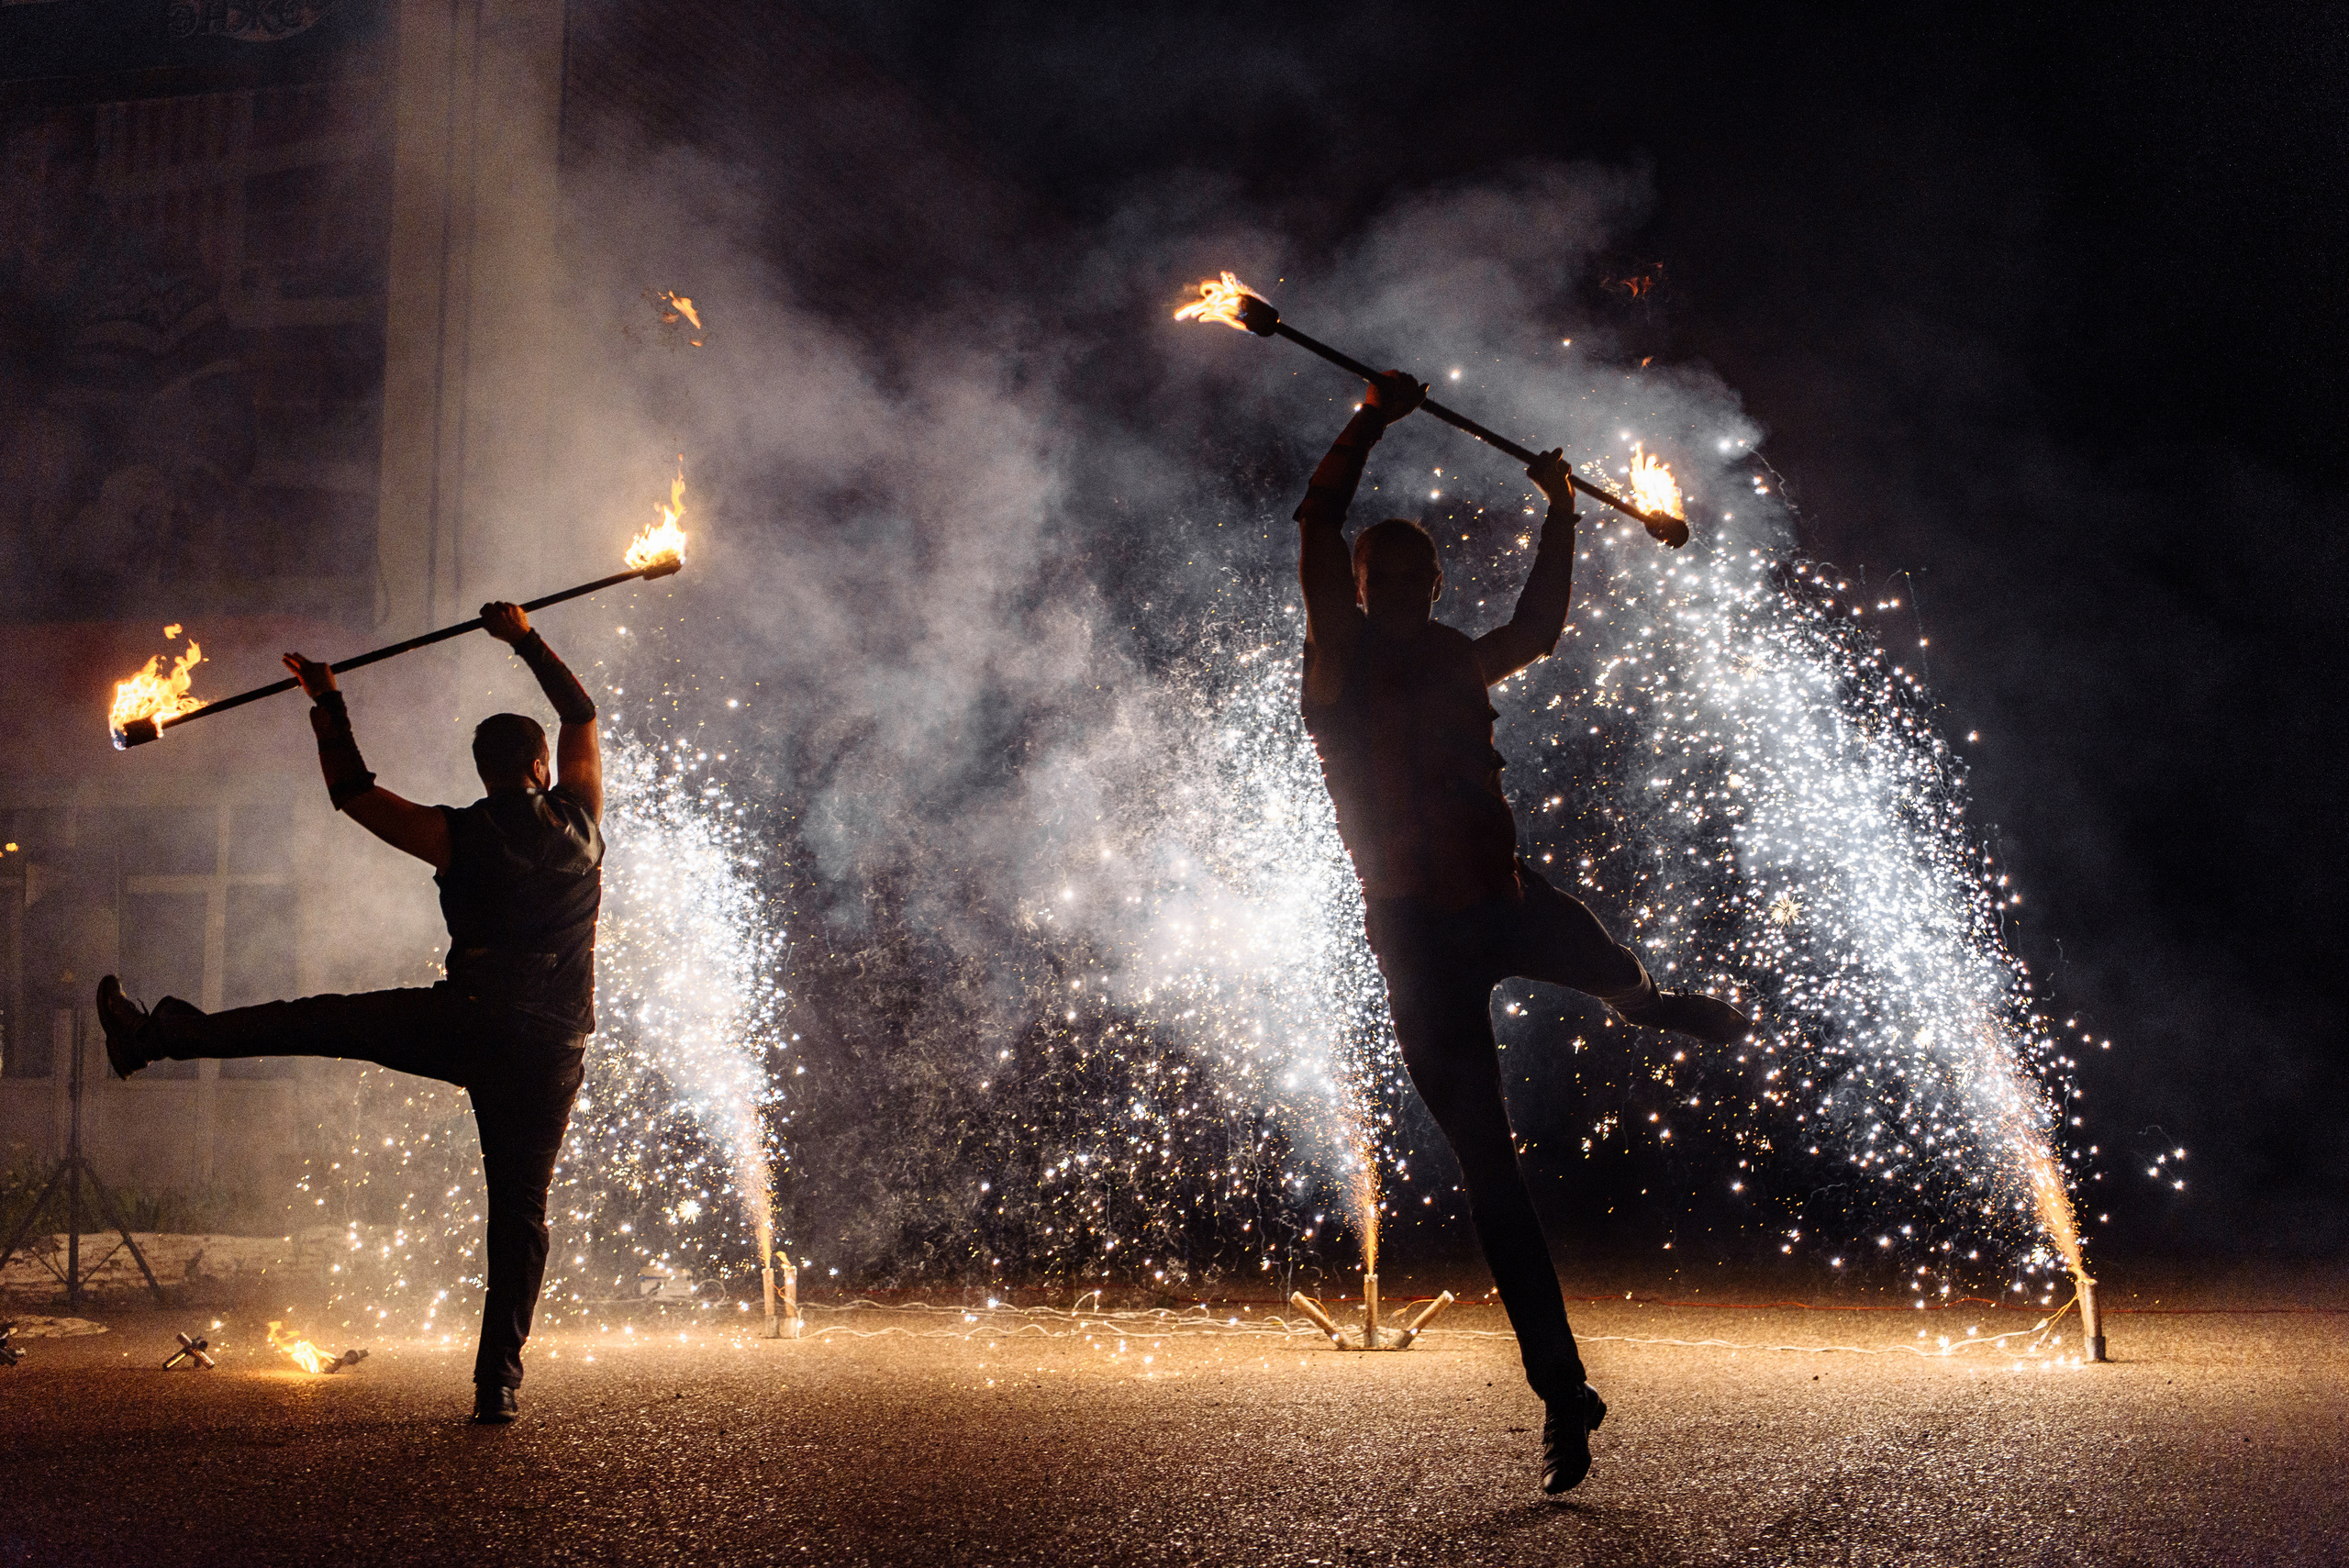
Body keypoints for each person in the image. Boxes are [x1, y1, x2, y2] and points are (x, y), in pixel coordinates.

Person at [1294, 372, 1751, 1495]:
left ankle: (1643, 1003)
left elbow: (1538, 628)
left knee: (1613, 970)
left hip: (1505, 900)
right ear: (1356, 586)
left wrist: (1561, 508)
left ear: (1435, 583)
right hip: (1415, 944)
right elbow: (1313, 519)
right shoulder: (1335, 665)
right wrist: (1371, 417)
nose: (1400, 585)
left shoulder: (1456, 656)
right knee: (1494, 1181)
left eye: (1416, 573)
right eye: (1380, 573)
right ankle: (1566, 1396)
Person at [97, 604, 604, 1426]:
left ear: (483, 771)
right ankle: (496, 1384)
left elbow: (353, 795)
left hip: (469, 1022)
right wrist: (524, 640)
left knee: (315, 1019)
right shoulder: (583, 822)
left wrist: (326, 702)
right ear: (541, 763)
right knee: (520, 1212)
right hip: (551, 1046)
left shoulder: (455, 833)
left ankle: (154, 1035)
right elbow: (580, 712)